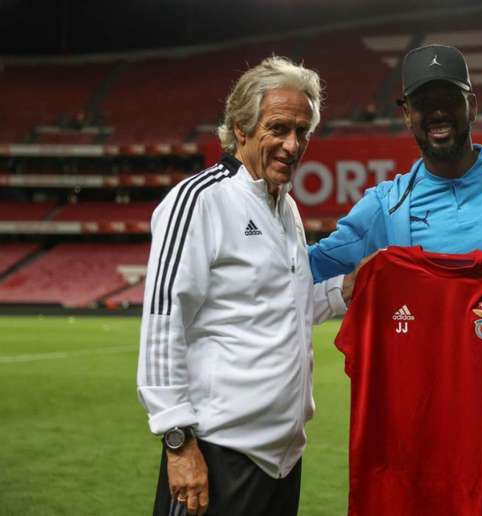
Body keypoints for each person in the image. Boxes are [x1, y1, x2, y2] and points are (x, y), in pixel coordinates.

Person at [308, 44, 482, 515]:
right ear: (406, 115)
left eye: (449, 100)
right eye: (423, 103)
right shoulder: (387, 204)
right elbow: (313, 263)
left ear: (472, 106)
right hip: (437, 424)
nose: (437, 113)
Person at [137, 56, 349, 516]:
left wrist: (346, 289)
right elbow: (161, 323)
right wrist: (178, 443)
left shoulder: (285, 207)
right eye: (279, 128)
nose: (292, 145)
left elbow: (282, 306)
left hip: (282, 459)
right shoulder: (199, 201)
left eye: (303, 131)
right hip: (217, 454)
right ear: (241, 128)